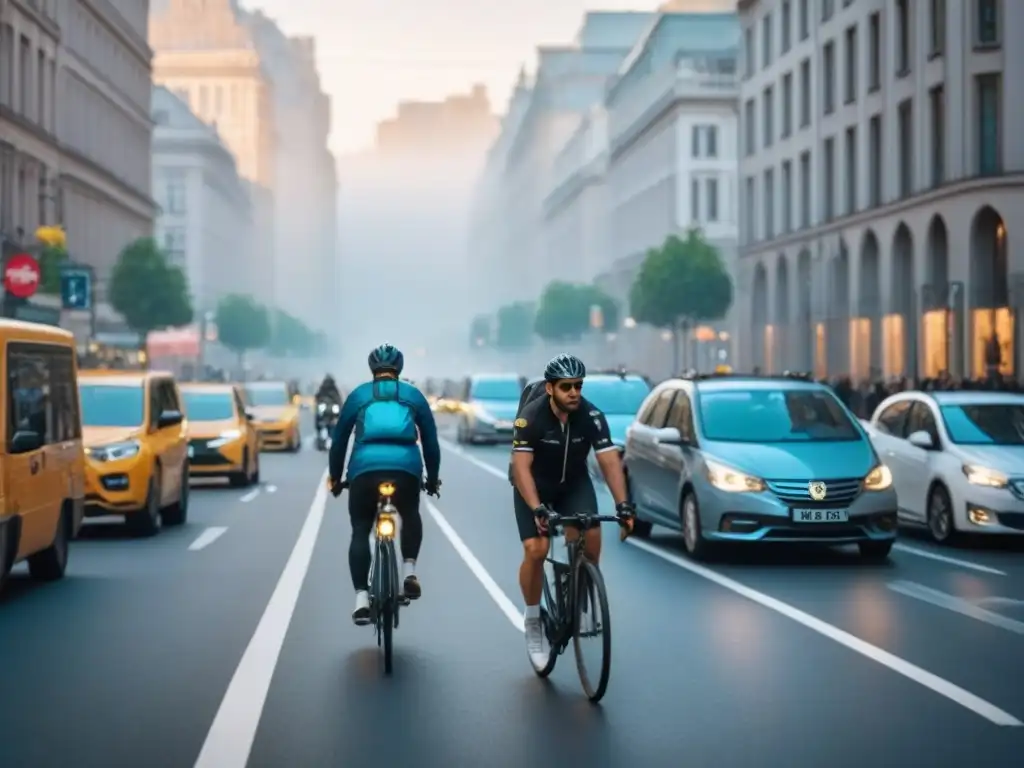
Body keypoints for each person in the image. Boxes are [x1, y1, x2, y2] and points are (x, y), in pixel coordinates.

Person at [509, 353, 635, 669]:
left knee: (591, 536)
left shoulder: (591, 416)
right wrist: (537, 508)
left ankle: (575, 586)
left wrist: (623, 506)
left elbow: (609, 462)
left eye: (578, 386)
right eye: (566, 387)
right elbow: (521, 467)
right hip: (533, 484)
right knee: (536, 549)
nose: (574, 393)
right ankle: (534, 620)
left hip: (573, 483)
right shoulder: (530, 417)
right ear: (550, 388)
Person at [328, 343, 441, 625]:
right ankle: (409, 571)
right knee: (410, 513)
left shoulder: (359, 396)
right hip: (406, 470)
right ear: (399, 370)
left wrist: (335, 478)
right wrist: (432, 478)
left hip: (364, 471)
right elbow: (430, 442)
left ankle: (361, 599)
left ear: (372, 370)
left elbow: (339, 440)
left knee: (360, 528)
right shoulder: (413, 395)